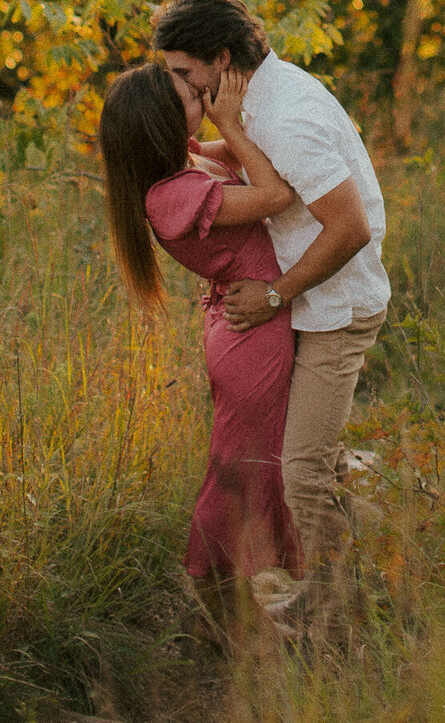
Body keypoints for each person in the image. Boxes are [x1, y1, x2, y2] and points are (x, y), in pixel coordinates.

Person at [154, 0, 390, 634]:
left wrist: (275, 294)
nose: (177, 86)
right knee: (322, 463)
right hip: (312, 303)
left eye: (182, 73)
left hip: (334, 309)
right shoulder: (259, 97)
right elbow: (252, 158)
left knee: (304, 475)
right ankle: (354, 585)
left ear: (219, 59)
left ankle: (347, 623)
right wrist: (188, 150)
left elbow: (349, 229)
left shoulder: (284, 114)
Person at [98, 61, 302, 648]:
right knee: (238, 474)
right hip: (251, 338)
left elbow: (243, 158)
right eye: (190, 95)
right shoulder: (172, 196)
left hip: (254, 319)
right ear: (164, 124)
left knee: (263, 465)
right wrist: (232, 122)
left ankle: (242, 621)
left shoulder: (188, 162)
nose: (203, 94)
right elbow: (274, 194)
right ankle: (226, 616)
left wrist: (230, 124)